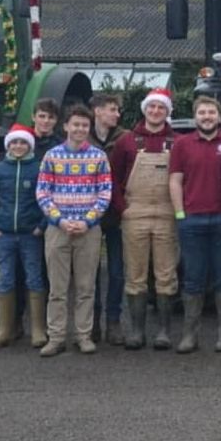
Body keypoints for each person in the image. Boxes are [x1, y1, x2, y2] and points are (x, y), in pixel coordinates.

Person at [36, 104, 113, 357]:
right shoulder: (52, 156)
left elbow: (105, 193)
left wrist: (88, 221)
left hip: (87, 230)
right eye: (75, 124)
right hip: (58, 229)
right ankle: (56, 337)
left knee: (85, 287)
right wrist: (59, 220)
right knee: (57, 289)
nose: (80, 129)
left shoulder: (99, 157)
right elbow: (43, 192)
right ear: (66, 126)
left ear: (89, 129)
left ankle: (83, 335)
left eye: (84, 125)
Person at [110, 87, 179, 351]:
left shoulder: (177, 141)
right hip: (134, 214)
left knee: (166, 274)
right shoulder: (127, 141)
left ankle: (163, 331)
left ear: (167, 112)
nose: (156, 111)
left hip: (166, 214)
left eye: (161, 107)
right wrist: (122, 208)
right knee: (136, 275)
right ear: (144, 109)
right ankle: (137, 331)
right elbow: (112, 178)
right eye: (152, 107)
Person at [168, 96, 221, 353]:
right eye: (202, 112)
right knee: (193, 279)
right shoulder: (182, 145)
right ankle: (189, 335)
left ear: (219, 117)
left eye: (211, 112)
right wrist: (179, 214)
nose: (206, 116)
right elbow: (175, 180)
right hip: (192, 220)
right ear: (195, 117)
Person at [0, 124, 46, 350]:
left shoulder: (38, 169)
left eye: (23, 142)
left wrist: (42, 226)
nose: (18, 146)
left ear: (29, 145)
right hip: (4, 235)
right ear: (9, 145)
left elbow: (48, 200)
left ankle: (37, 329)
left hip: (31, 235)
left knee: (34, 279)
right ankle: (4, 330)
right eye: (14, 142)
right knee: (5, 279)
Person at [89, 92, 127, 345]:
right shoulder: (83, 137)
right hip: (89, 213)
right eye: (112, 109)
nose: (117, 114)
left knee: (117, 271)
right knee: (89, 272)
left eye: (117, 110)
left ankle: (114, 322)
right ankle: (92, 323)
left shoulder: (124, 139)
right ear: (98, 112)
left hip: (116, 213)